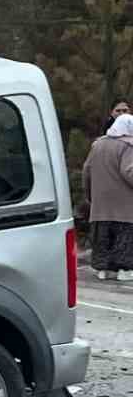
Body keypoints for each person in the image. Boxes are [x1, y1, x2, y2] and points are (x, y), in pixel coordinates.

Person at [83, 112, 133, 282]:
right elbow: (129, 171)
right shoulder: (128, 146)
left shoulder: (97, 145)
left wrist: (89, 194)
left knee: (102, 235)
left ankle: (103, 270)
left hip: (100, 203)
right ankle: (124, 271)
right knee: (124, 235)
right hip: (124, 203)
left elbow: (86, 170)